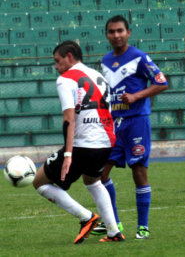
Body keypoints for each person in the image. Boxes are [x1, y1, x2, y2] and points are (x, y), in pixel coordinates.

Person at [33, 40, 125, 243]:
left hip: (83, 144)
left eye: (58, 61)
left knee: (39, 182)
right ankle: (113, 232)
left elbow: (69, 118)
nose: (56, 67)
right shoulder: (98, 75)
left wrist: (68, 154)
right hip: (106, 142)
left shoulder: (66, 79)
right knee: (92, 180)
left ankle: (87, 218)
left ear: (69, 57)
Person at [91, 15, 168, 239]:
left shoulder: (139, 57)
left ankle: (142, 227)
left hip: (136, 122)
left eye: (120, 31)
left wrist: (136, 96)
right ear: (106, 35)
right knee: (100, 174)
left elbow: (161, 82)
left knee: (139, 172)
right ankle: (114, 223)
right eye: (112, 32)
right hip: (112, 125)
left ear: (128, 33)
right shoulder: (104, 62)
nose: (116, 35)